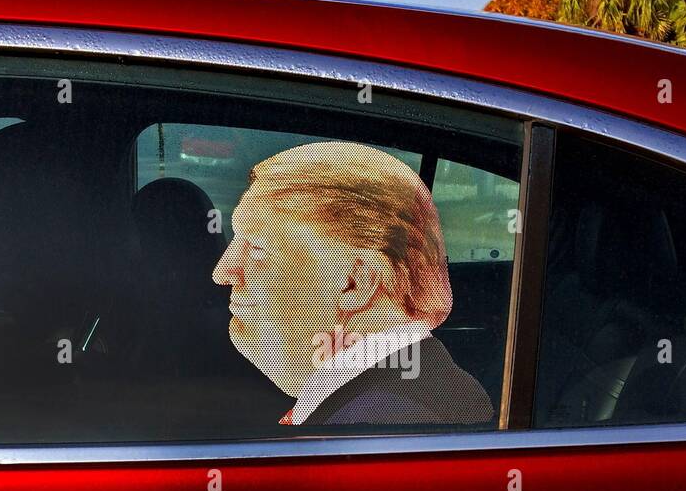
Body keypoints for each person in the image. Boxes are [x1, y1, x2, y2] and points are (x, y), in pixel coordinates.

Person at [211, 141, 493, 427]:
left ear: (355, 283)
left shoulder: (376, 423)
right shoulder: (417, 392)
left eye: (258, 249)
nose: (223, 272)